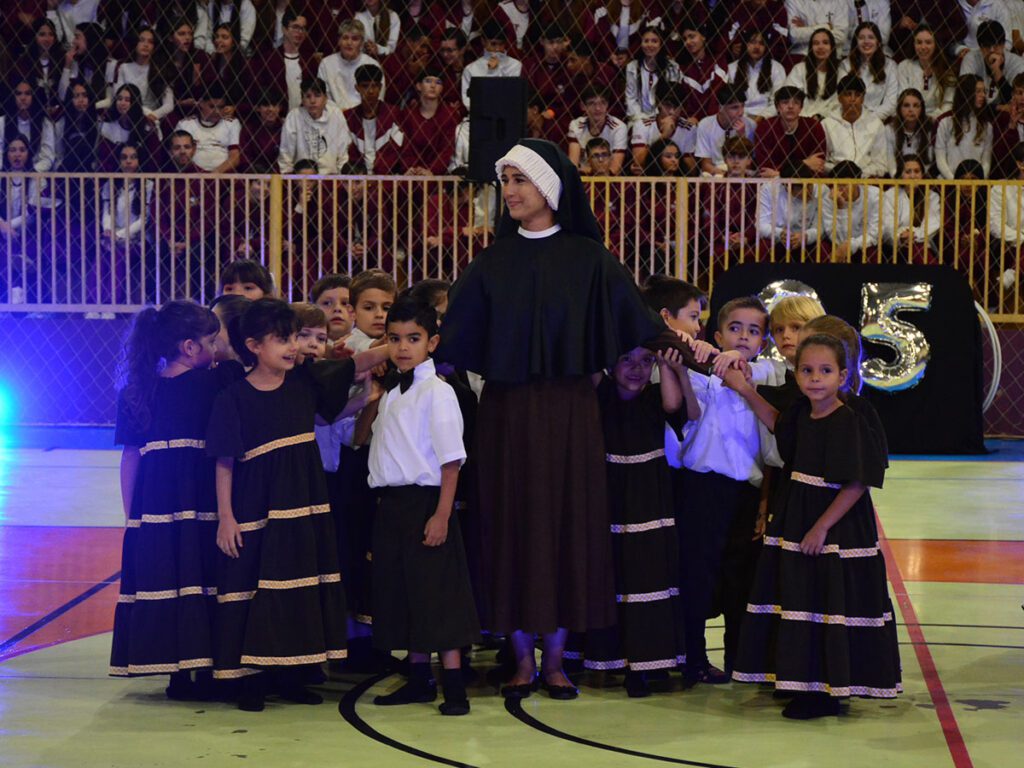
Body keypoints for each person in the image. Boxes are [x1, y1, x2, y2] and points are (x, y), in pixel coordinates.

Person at [436, 139, 664, 700]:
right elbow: (453, 338)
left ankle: (557, 660)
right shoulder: (491, 262)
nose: (509, 191)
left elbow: (640, 323)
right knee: (509, 522)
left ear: (551, 187)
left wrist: (696, 347)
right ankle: (520, 659)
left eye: (520, 180)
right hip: (507, 415)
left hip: (570, 414)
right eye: (506, 180)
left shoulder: (590, 259)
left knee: (569, 522)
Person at [205, 298, 388, 710]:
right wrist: (226, 518)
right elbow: (224, 462)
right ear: (253, 345)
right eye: (281, 339)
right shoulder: (233, 397)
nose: (292, 347)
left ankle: (293, 674)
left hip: (303, 506)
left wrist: (381, 367)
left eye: (293, 338)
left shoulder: (304, 383)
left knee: (299, 585)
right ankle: (251, 681)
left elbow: (344, 384)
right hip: (256, 509)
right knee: (255, 587)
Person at [725, 332, 900, 719]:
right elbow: (778, 424)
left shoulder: (848, 420)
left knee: (828, 599)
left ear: (843, 375)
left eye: (825, 371)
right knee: (801, 597)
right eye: (807, 371)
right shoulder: (801, 412)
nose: (815, 378)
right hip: (797, 512)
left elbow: (856, 483)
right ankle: (801, 681)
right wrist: (746, 390)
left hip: (835, 522)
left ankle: (826, 690)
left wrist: (821, 527)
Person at [110, 300, 241, 698]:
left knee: (169, 577)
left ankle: (179, 674)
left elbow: (130, 457)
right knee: (202, 577)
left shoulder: (137, 390)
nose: (217, 349)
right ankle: (206, 670)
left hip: (156, 502)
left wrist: (133, 518)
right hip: (199, 493)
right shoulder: (216, 382)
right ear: (189, 347)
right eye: (211, 341)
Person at [367, 298, 480, 716]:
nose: (402, 347)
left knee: (438, 595)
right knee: (404, 593)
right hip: (393, 503)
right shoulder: (392, 391)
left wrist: (442, 515)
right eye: (394, 338)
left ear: (432, 342)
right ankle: (418, 680)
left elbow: (451, 460)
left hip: (427, 503)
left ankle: (455, 689)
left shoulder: (438, 392)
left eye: (413, 339)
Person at [581, 344, 696, 697]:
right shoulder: (601, 393)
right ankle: (613, 660)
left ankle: (647, 664)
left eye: (646, 361)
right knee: (613, 573)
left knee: (648, 574)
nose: (636, 368)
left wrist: (669, 363)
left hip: (649, 495)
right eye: (626, 359)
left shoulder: (654, 397)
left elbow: (678, 407)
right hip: (610, 493)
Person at [677, 296, 781, 685]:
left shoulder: (766, 377)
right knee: (698, 576)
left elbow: (780, 368)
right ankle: (693, 658)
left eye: (754, 331)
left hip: (745, 494)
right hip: (703, 489)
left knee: (740, 580)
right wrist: (707, 356)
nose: (743, 337)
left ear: (762, 342)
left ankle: (741, 659)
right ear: (717, 336)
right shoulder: (701, 377)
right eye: (735, 328)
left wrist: (743, 371)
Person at [279, 77, 352, 175]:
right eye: (308, 96)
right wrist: (289, 179)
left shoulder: (336, 114)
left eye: (317, 95)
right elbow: (286, 155)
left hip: (331, 177)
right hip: (302, 178)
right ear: (302, 99)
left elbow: (343, 155)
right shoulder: (294, 116)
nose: (312, 101)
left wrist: (340, 179)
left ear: (325, 98)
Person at [342, 64, 404, 174]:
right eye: (365, 86)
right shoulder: (348, 117)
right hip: (357, 178)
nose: (370, 91)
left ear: (380, 87)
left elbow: (394, 152)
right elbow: (348, 153)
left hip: (387, 178)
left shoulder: (394, 114)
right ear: (357, 88)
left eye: (374, 86)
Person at [755, 86, 827, 178]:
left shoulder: (814, 127)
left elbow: (818, 165)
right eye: (785, 102)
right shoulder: (764, 128)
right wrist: (805, 163)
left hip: (807, 182)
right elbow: (765, 168)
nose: (790, 106)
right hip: (773, 183)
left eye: (796, 103)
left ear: (801, 108)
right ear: (777, 107)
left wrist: (778, 174)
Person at [822, 74, 886, 177]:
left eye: (857, 95)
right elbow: (821, 162)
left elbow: (880, 163)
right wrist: (841, 172)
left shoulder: (875, 124)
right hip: (836, 180)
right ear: (839, 98)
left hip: (865, 181)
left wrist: (859, 174)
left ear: (863, 99)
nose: (852, 99)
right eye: (848, 94)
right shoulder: (827, 124)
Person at [398, 68, 459, 175]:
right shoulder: (407, 115)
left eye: (438, 82)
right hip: (411, 173)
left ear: (442, 88)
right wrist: (412, 168)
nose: (433, 86)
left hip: (439, 175)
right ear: (418, 86)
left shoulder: (450, 115)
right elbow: (405, 147)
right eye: (428, 81)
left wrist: (432, 171)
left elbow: (446, 150)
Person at [881, 153, 942, 262]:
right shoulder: (890, 195)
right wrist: (901, 237)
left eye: (917, 171)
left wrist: (914, 235)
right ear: (901, 175)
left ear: (922, 174)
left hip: (922, 245)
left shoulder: (932, 196)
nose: (913, 176)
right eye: (908, 172)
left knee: (917, 249)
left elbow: (932, 224)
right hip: (894, 248)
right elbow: (887, 226)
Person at [318, 19, 386, 111]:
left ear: (362, 43)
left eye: (354, 39)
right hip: (334, 115)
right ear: (339, 41)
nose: (349, 43)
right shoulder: (326, 64)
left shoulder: (373, 65)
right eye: (345, 38)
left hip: (363, 114)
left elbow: (378, 99)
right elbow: (323, 97)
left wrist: (353, 114)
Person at [629, 81, 696, 175]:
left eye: (677, 106)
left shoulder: (688, 129)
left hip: (675, 178)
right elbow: (638, 161)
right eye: (667, 105)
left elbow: (692, 170)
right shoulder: (642, 125)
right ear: (658, 103)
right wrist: (664, 136)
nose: (672, 112)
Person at [935, 74, 994, 179]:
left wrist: (978, 182)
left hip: (976, 184)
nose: (983, 95)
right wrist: (954, 182)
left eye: (984, 91)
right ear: (966, 93)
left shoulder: (987, 127)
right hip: (949, 182)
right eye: (978, 91)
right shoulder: (945, 123)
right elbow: (940, 159)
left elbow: (986, 162)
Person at [820, 160, 882, 260]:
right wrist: (841, 208)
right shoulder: (828, 199)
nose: (840, 190)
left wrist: (852, 245)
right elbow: (837, 238)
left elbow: (874, 234)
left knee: (872, 253)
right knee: (823, 249)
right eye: (836, 185)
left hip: (863, 244)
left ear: (857, 182)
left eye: (844, 185)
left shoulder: (874, 195)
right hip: (839, 246)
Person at [174, 85, 242, 174]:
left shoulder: (232, 123)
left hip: (222, 175)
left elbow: (235, 157)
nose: (217, 111)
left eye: (220, 107)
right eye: (212, 106)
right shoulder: (185, 124)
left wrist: (213, 175)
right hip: (192, 175)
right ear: (201, 103)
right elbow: (178, 154)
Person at [839, 22, 898, 121]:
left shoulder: (890, 66)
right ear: (856, 42)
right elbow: (843, 98)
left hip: (878, 121)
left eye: (871, 37)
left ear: (878, 42)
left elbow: (891, 103)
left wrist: (869, 120)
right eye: (861, 38)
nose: (866, 41)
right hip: (850, 118)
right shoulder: (845, 65)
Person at [694, 84, 757, 176]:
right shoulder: (705, 125)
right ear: (721, 108)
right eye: (735, 107)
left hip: (740, 173)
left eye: (742, 106)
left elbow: (749, 165)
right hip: (715, 173)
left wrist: (741, 137)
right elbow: (706, 165)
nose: (741, 112)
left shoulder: (750, 125)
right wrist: (724, 176)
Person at [625, 25, 682, 123]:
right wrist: (642, 120)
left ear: (661, 44)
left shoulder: (672, 67)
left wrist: (658, 119)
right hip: (639, 119)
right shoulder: (632, 67)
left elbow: (673, 99)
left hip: (665, 118)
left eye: (654, 41)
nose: (649, 45)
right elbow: (631, 99)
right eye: (646, 41)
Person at [896, 24, 956, 118]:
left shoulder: (947, 70)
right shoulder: (904, 66)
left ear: (936, 45)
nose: (923, 47)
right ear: (913, 44)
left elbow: (948, 104)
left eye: (928, 42)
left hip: (937, 120)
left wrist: (933, 119)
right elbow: (903, 99)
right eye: (919, 42)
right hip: (910, 118)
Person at [460, 21, 523, 109]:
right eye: (493, 44)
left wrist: (494, 72)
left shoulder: (515, 65)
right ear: (483, 41)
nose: (497, 49)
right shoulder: (471, 69)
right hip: (479, 114)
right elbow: (467, 100)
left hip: (507, 113)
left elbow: (512, 96)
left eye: (501, 44)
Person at [961, 20, 1024, 107]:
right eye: (987, 46)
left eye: (996, 45)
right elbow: (965, 95)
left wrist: (997, 72)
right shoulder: (971, 59)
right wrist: (997, 108)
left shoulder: (1017, 64)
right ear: (980, 47)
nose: (991, 50)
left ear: (1003, 45)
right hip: (977, 112)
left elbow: (1017, 101)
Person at [727, 28, 786, 120]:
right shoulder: (731, 68)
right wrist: (745, 117)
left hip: (767, 118)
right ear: (745, 44)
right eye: (752, 42)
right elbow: (729, 101)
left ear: (766, 47)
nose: (757, 47)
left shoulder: (776, 68)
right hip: (739, 117)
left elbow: (779, 101)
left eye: (761, 43)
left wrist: (762, 117)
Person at [566, 86, 628, 174]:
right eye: (592, 103)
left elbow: (614, 169)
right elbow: (573, 166)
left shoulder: (618, 127)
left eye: (602, 103)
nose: (598, 108)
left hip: (609, 178)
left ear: (607, 105)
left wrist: (589, 170)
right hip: (582, 178)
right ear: (583, 106)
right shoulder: (575, 125)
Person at [783, 27, 842, 120]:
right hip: (801, 119)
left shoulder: (841, 72)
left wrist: (820, 116)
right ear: (811, 48)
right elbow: (788, 96)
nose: (820, 47)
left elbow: (840, 104)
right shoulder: (799, 69)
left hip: (830, 120)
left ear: (832, 47)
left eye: (825, 42)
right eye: (816, 43)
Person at [677, 19, 726, 122]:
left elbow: (717, 93)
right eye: (684, 39)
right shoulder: (682, 68)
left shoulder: (718, 61)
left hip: (716, 119)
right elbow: (684, 100)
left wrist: (706, 121)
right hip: (691, 121)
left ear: (703, 36)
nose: (688, 42)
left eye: (692, 36)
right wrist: (691, 117)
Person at [883, 89, 934, 178]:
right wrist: (898, 179)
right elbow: (890, 160)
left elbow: (928, 161)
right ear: (899, 108)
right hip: (897, 178)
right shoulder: (889, 129)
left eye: (916, 106)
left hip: (921, 179)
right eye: (906, 105)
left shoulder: (930, 129)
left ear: (922, 109)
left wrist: (918, 178)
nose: (911, 110)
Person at [988, 142, 1024, 252]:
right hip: (1012, 247)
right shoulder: (1000, 188)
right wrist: (1021, 238)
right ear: (1020, 164)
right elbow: (995, 225)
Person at [785, 0, 851, 58]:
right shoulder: (793, 1)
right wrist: (826, 26)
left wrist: (806, 29)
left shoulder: (840, 2)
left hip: (830, 58)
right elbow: (793, 36)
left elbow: (841, 36)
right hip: (801, 55)